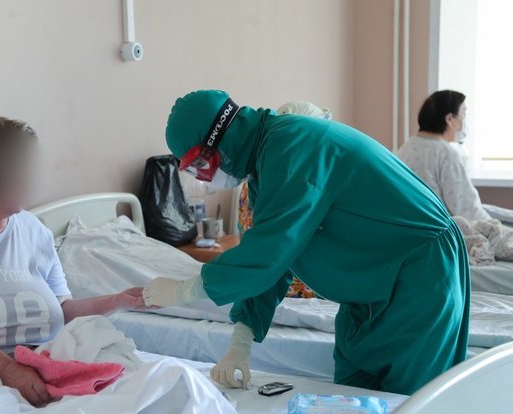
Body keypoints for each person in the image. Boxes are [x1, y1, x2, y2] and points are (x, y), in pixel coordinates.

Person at [143, 90, 470, 395]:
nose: (205, 178)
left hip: (419, 275)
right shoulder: (265, 168)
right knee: (350, 397)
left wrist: (186, 290)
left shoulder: (292, 145)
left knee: (409, 401)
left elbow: (267, 254)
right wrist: (241, 342)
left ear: (220, 142)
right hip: (369, 289)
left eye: (201, 166)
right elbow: (279, 256)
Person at [0, 117, 148, 407]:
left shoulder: (35, 230)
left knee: (145, 377)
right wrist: (9, 371)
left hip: (44, 362)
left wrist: (117, 300)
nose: (29, 179)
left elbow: (63, 309)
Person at [397, 90, 491, 222]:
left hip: (412, 225)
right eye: (464, 114)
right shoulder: (446, 153)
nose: (464, 121)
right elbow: (467, 210)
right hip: (438, 229)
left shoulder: (406, 147)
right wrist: (498, 227)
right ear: (450, 119)